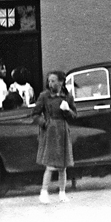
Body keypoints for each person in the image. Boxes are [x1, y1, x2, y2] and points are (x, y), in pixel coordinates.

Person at [33, 71, 76, 204]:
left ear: (61, 82)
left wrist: (67, 110)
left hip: (62, 131)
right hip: (51, 131)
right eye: (49, 81)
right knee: (50, 165)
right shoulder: (44, 96)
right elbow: (35, 114)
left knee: (63, 165)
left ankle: (62, 193)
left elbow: (74, 115)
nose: (50, 83)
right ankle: (44, 192)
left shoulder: (67, 97)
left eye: (53, 81)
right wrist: (44, 123)